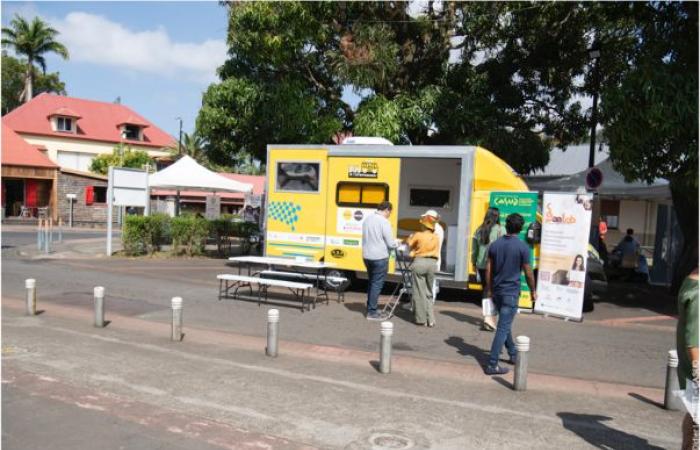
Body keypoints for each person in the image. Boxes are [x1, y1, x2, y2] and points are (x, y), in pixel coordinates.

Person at [483, 213, 536, 375]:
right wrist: (533, 290)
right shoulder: (522, 247)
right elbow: (528, 273)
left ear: (506, 225)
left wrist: (489, 289)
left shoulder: (495, 245)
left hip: (498, 292)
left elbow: (488, 270)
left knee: (504, 326)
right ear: (520, 229)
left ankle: (512, 354)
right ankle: (492, 364)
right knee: (503, 327)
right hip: (511, 293)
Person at [361, 201, 398, 320]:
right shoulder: (384, 222)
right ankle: (372, 312)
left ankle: (371, 307)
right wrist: (398, 243)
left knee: (372, 282)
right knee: (376, 284)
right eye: (390, 212)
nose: (389, 215)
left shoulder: (367, 219)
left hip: (367, 256)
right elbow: (390, 243)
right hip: (379, 257)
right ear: (387, 209)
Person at [471, 207, 505, 331]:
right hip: (495, 265)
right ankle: (489, 318)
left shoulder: (479, 230)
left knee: (486, 290)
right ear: (497, 217)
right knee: (493, 291)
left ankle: (487, 316)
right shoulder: (501, 230)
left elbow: (474, 250)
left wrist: (473, 263)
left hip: (481, 264)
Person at [676, 268, 698, 450]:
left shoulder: (691, 280)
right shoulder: (698, 292)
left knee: (694, 418)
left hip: (690, 368)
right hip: (696, 370)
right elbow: (693, 343)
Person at [405, 216, 440, 327]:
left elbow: (409, 243)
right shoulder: (436, 237)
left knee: (419, 292)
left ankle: (421, 319)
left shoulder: (418, 235)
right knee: (429, 292)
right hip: (432, 264)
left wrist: (408, 238)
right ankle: (431, 319)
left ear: (424, 225)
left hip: (420, 262)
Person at [420, 209, 444, 303]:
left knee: (430, 283)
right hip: (432, 258)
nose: (423, 219)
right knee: (429, 282)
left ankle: (428, 303)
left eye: (425, 217)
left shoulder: (435, 229)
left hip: (431, 259)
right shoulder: (437, 228)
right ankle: (423, 303)